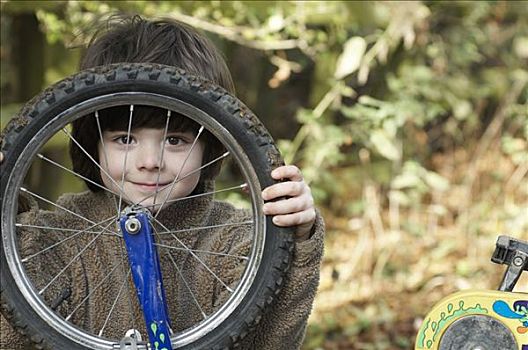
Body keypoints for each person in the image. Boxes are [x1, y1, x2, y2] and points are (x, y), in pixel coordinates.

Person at [0, 15, 324, 349]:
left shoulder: (241, 243)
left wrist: (291, 241)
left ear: (209, 143)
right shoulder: (45, 241)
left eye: (175, 140)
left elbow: (270, 341)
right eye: (125, 138)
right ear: (92, 142)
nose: (150, 162)